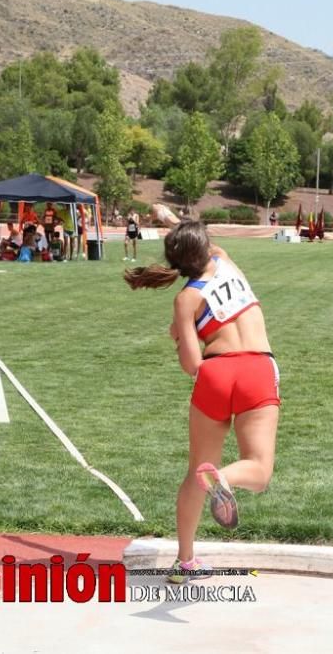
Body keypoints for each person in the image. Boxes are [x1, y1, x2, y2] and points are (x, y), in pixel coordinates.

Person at [123, 221, 280, 584]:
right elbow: (201, 246)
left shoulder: (185, 299)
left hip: (215, 375)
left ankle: (185, 561)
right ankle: (224, 478)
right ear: (206, 246)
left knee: (196, 472)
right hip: (256, 367)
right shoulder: (224, 260)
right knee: (258, 471)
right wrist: (170, 218)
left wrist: (180, 335)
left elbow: (192, 365)